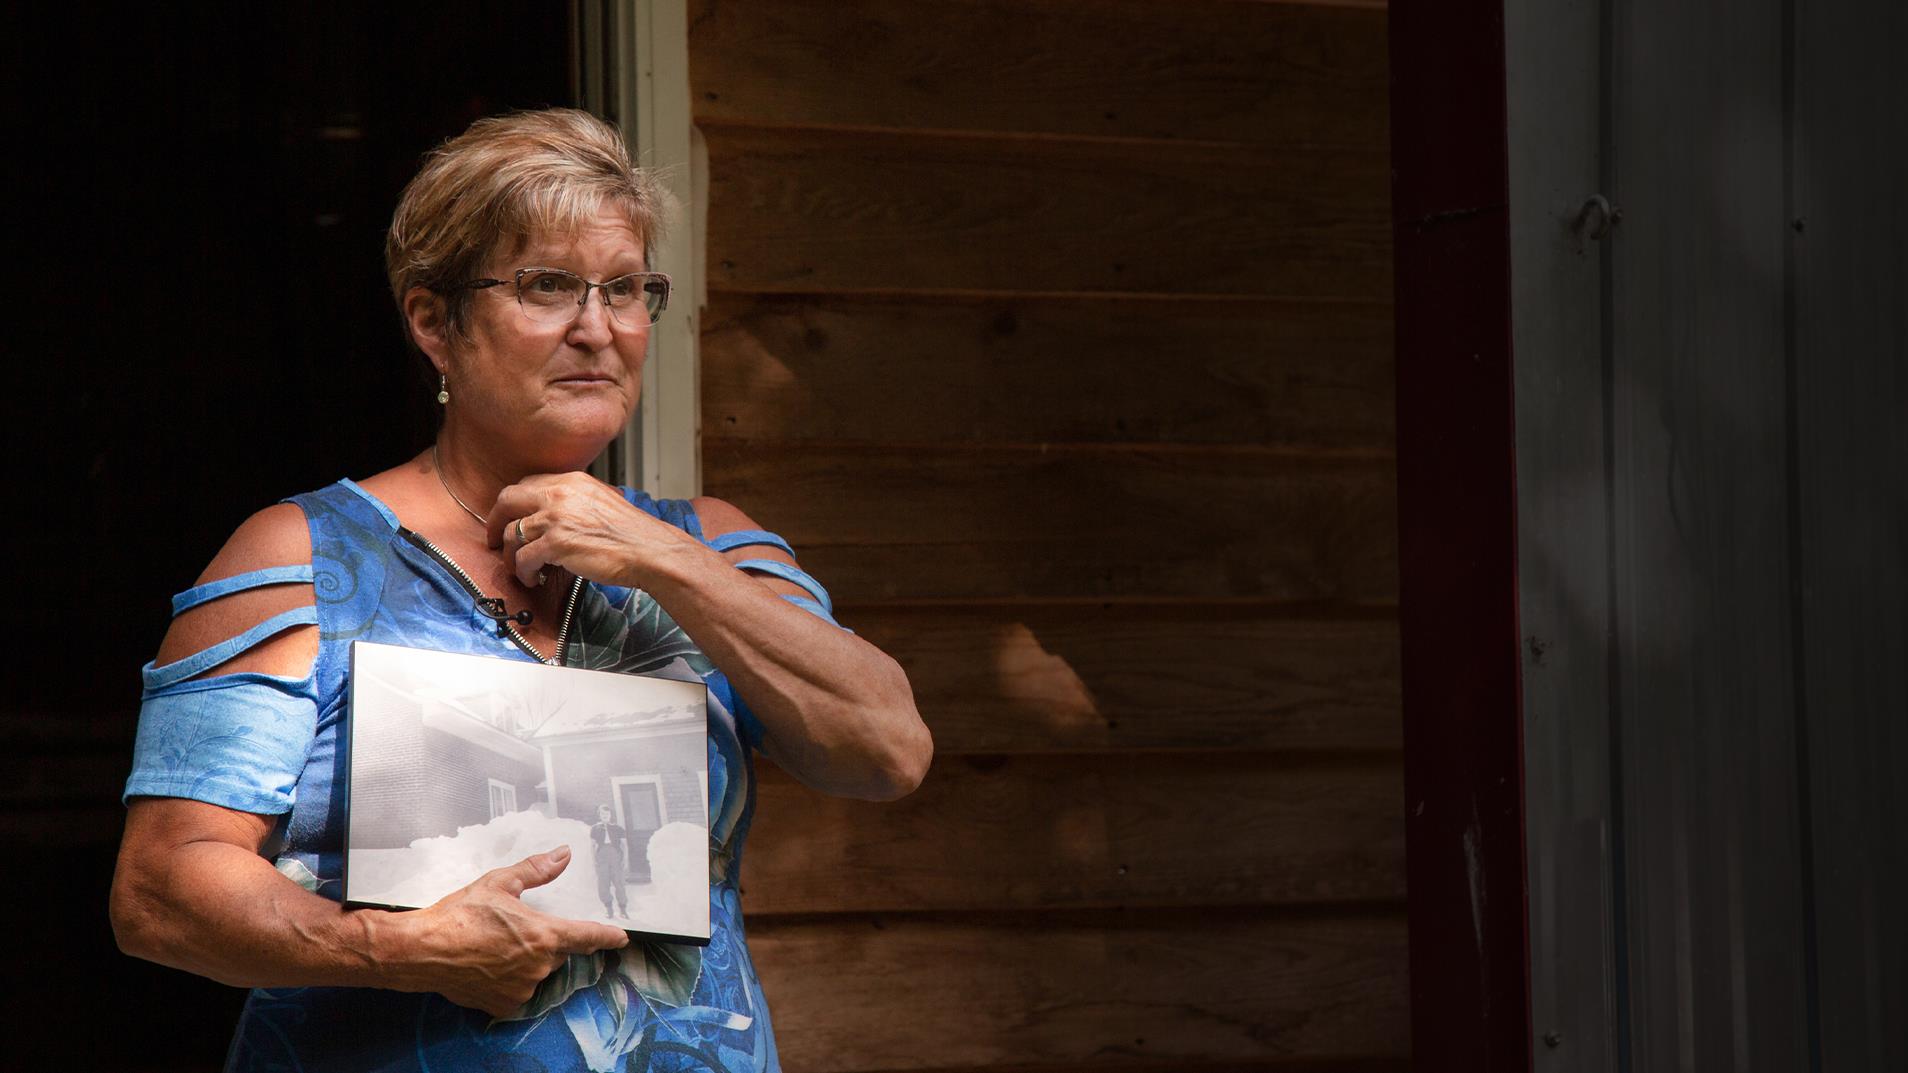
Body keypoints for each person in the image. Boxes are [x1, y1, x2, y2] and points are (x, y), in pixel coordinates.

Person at [109, 108, 932, 1072]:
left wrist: (661, 556)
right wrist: (395, 948)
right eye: (548, 286)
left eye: (624, 289)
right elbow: (160, 888)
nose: (597, 328)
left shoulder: (710, 543)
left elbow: (887, 750)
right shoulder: (305, 556)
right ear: (433, 321)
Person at [591, 803, 629, 918]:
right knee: (603, 883)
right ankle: (609, 909)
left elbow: (624, 845)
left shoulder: (618, 828)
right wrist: (594, 860)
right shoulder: (595, 828)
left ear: (610, 815)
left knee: (619, 882)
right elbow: (592, 846)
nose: (605, 816)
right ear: (599, 815)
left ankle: (623, 909)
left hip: (615, 856)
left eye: (607, 813)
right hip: (602, 857)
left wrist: (625, 859)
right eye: (602, 814)